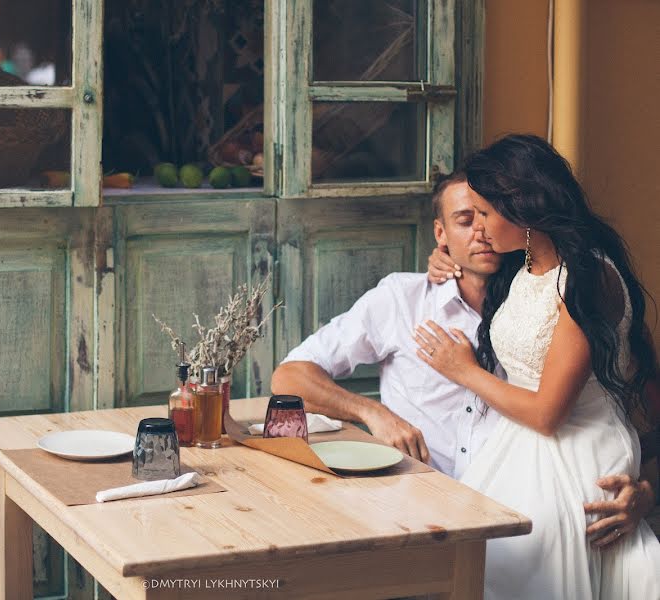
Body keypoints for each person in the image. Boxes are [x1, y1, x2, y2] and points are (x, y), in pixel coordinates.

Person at [270, 168, 656, 553]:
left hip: (525, 513)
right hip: (413, 512)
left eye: (488, 215)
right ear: (440, 234)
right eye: (464, 219)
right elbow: (289, 378)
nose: (481, 231)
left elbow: (624, 401)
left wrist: (644, 489)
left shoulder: (545, 298)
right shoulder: (402, 300)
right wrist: (373, 414)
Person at [413, 134, 660, 598]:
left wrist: (464, 369)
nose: (480, 227)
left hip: (573, 454)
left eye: (486, 213)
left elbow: (549, 415)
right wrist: (442, 258)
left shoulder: (588, 278)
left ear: (523, 209)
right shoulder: (525, 266)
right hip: (516, 450)